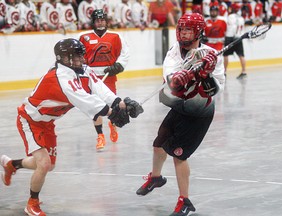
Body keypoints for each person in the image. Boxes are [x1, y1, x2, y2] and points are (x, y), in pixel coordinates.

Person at [0, 38, 143, 216]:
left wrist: (122, 104)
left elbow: (99, 88)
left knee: (48, 165)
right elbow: (85, 100)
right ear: (63, 58)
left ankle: (12, 165)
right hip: (30, 120)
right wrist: (111, 114)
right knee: (43, 164)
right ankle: (32, 203)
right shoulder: (60, 77)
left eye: (81, 55)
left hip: (47, 122)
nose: (81, 60)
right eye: (76, 56)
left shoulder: (82, 69)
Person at [136, 12, 225, 216]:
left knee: (179, 155)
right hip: (179, 107)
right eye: (182, 29)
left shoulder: (212, 56)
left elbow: (216, 90)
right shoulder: (174, 50)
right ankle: (156, 178)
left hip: (198, 113)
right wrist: (178, 76)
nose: (183, 34)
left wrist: (206, 74)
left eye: (188, 30)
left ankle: (185, 201)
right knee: (158, 145)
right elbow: (170, 81)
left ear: (199, 32)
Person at [79, 9, 129, 151]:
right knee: (95, 107)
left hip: (109, 76)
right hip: (91, 77)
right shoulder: (84, 37)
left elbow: (125, 53)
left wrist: (119, 65)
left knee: (112, 105)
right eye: (97, 20)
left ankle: (112, 125)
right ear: (93, 22)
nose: (100, 22)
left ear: (106, 21)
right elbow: (79, 56)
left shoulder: (115, 36)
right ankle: (100, 135)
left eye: (102, 20)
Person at [223, 1, 247, 79]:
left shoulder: (230, 17)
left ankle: (224, 72)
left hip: (230, 37)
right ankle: (244, 72)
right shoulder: (241, 18)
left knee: (225, 55)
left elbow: (230, 27)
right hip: (239, 37)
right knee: (241, 55)